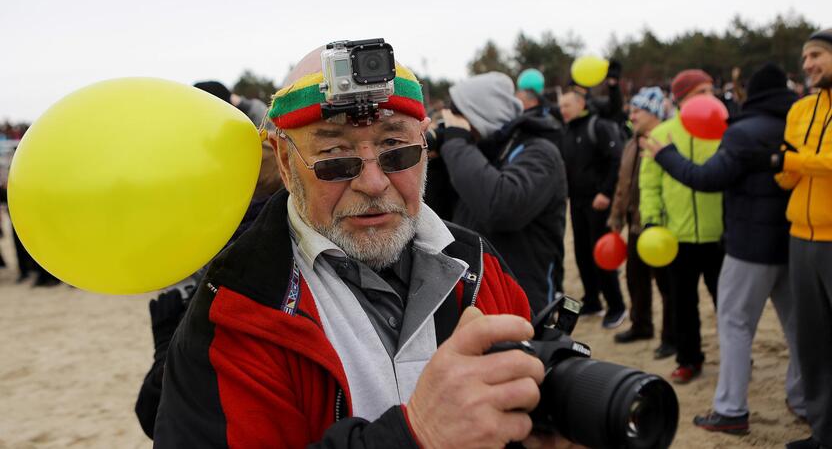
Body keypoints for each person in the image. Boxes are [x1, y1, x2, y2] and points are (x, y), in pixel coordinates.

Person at [154, 43, 578, 448]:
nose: (373, 183)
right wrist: (416, 436)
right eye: (335, 156)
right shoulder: (238, 312)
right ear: (285, 163)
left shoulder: (478, 265)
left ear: (425, 146)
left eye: (396, 149)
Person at [641, 63, 805, 434]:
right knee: (798, 328)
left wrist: (666, 155)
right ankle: (803, 399)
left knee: (733, 322)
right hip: (795, 242)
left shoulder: (740, 131)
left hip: (747, 245)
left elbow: (706, 178)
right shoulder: (799, 127)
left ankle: (731, 409)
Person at [134, 81, 283, 438]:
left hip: (228, 293)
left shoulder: (218, 175)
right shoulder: (267, 158)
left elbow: (157, 411)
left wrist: (164, 346)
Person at [437, 71, 567, 315]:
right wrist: (436, 162)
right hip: (479, 289)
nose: (452, 123)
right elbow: (438, 214)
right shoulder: (479, 154)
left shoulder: (539, 152)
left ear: (481, 115)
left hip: (525, 296)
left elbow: (501, 207)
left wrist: (456, 143)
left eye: (458, 114)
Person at [768, 29, 832, 449]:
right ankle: (824, 435)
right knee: (813, 346)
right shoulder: (801, 108)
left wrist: (791, 159)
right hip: (800, 237)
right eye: (805, 56)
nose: (807, 64)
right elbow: (790, 172)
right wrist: (778, 166)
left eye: (816, 55)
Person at [639, 69, 724, 384]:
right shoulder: (663, 132)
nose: (708, 98)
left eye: (710, 91)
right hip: (676, 237)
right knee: (682, 303)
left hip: (719, 235)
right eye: (700, 92)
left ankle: (736, 355)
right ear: (681, 98)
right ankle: (689, 359)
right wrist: (652, 221)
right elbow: (649, 185)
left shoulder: (722, 129)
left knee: (726, 303)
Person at [607, 87, 675, 358]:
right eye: (631, 109)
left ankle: (671, 337)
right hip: (635, 224)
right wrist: (615, 216)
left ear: (654, 113)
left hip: (661, 229)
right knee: (635, 279)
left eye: (638, 110)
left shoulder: (667, 141)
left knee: (667, 286)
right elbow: (622, 185)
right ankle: (641, 325)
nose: (631, 115)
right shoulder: (632, 143)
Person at [557, 87, 627, 329]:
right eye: (561, 106)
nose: (562, 110)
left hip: (599, 202)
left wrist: (606, 193)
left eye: (566, 105)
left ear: (581, 104)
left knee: (603, 254)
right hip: (576, 201)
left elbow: (616, 159)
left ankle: (616, 306)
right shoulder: (567, 130)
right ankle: (593, 300)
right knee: (582, 253)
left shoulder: (598, 126)